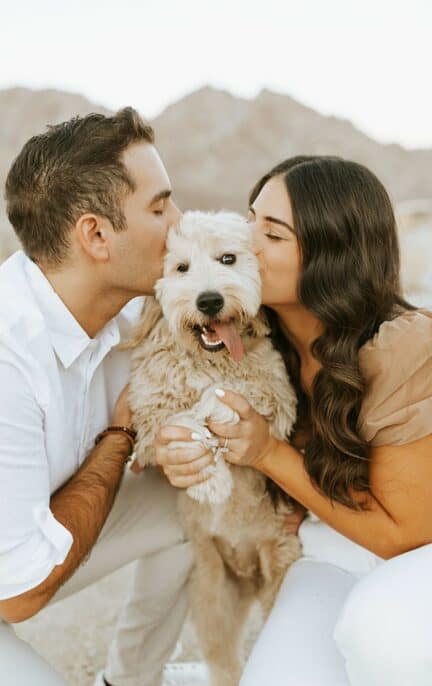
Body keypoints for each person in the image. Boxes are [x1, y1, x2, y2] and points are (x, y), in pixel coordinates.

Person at [155, 156, 432, 685]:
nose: (247, 239)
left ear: (331, 254)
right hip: (335, 539)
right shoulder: (257, 338)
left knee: (381, 638)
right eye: (251, 219)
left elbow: (406, 538)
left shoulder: (403, 345)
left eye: (273, 234)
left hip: (418, 548)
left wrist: (268, 455)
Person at [0, 108, 202, 686]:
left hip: (29, 544)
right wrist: (119, 439)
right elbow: (18, 593)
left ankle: (130, 679)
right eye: (161, 208)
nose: (183, 223)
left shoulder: (135, 312)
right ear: (95, 235)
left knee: (204, 495)